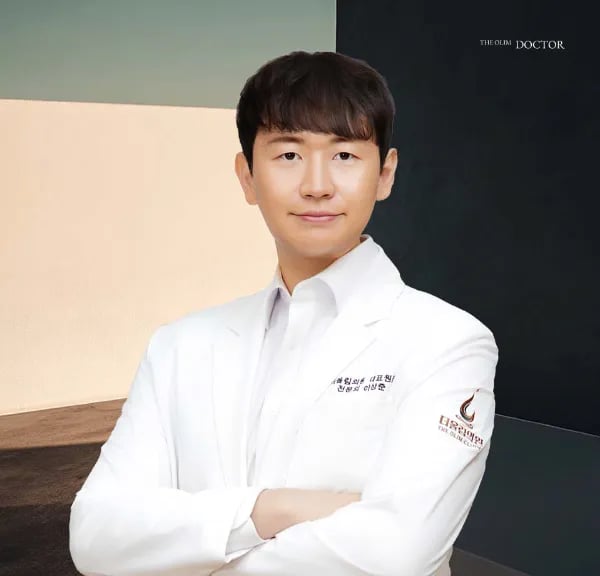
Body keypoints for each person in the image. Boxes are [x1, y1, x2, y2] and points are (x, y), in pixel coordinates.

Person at [69, 50, 498, 576]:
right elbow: (94, 535)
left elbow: (397, 554)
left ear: (385, 174)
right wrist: (271, 509)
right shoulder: (180, 345)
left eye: (344, 154)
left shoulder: (448, 342)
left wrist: (183, 549)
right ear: (247, 176)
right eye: (289, 154)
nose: (317, 184)